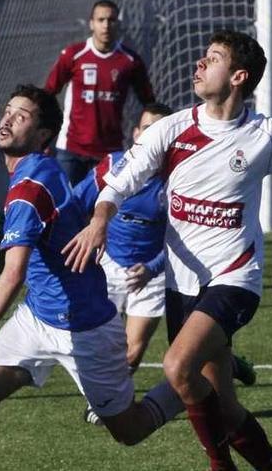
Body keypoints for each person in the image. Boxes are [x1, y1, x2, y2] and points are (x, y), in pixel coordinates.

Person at [62, 30, 272, 471]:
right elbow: (120, 182)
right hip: (182, 284)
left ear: (239, 76)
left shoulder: (267, 135)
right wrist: (99, 219)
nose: (200, 64)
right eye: (203, 56)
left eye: (214, 58)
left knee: (176, 367)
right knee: (223, 404)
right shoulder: (171, 129)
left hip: (236, 279)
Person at [0, 85, 182, 471]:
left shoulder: (28, 189)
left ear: (42, 135)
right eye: (7, 111)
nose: (7, 120)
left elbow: (13, 274)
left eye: (20, 116)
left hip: (87, 329)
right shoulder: (44, 168)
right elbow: (94, 185)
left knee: (130, 429)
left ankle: (193, 379)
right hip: (36, 320)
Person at [73, 102, 257, 426]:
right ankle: (227, 361)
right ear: (135, 134)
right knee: (99, 340)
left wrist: (153, 269)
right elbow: (76, 202)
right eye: (145, 128)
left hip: (155, 271)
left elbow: (181, 239)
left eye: (158, 129)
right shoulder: (113, 167)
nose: (151, 135)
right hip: (109, 265)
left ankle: (109, 404)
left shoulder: (180, 176)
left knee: (132, 351)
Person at [44, 0, 155, 185]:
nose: (106, 25)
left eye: (111, 20)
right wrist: (45, 138)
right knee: (66, 209)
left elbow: (149, 103)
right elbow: (48, 94)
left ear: (118, 24)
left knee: (104, 210)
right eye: (101, 20)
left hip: (110, 152)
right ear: (91, 23)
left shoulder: (130, 61)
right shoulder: (73, 55)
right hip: (71, 149)